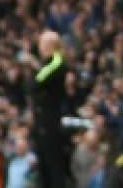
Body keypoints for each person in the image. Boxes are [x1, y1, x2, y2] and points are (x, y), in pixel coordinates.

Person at [30, 31, 70, 188]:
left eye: (41, 44)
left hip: (50, 120)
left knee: (53, 165)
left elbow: (35, 83)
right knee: (44, 166)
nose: (39, 48)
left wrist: (35, 68)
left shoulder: (56, 62)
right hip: (43, 120)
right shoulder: (47, 64)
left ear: (49, 45)